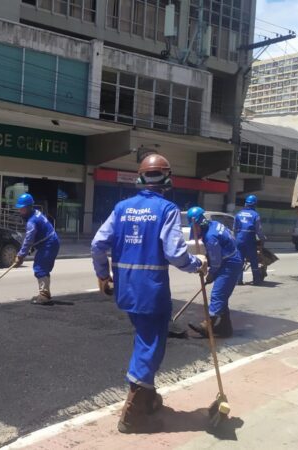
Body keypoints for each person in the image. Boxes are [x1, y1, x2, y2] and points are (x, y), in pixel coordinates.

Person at [91, 154, 208, 434]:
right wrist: (197, 265)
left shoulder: (121, 208)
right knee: (150, 345)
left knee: (143, 339)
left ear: (140, 178)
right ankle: (133, 413)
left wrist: (103, 274)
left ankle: (150, 398)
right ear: (167, 178)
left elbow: (97, 244)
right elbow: (175, 253)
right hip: (151, 292)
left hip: (126, 291)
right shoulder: (167, 209)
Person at [186, 206, 243, 339]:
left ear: (200, 224)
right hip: (230, 257)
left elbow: (216, 260)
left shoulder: (211, 237)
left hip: (229, 263)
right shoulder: (214, 224)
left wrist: (211, 273)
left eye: (195, 226)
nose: (194, 230)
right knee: (222, 294)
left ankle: (208, 325)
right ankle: (225, 327)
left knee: (218, 294)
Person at [13, 193, 61, 305]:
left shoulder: (32, 221)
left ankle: (44, 296)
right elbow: (37, 235)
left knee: (40, 268)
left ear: (29, 207)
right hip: (50, 242)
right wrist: (31, 248)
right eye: (19, 209)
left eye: (22, 209)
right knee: (43, 268)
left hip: (49, 244)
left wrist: (20, 255)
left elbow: (28, 240)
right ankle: (45, 293)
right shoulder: (36, 213)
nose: (20, 211)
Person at [234, 194, 266, 286]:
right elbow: (258, 230)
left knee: (240, 260)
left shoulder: (238, 214)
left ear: (245, 204)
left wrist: (236, 239)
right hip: (250, 240)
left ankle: (238, 280)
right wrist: (262, 239)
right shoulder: (255, 215)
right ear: (255, 204)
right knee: (253, 260)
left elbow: (234, 229)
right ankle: (256, 280)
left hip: (239, 240)